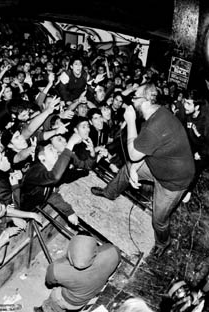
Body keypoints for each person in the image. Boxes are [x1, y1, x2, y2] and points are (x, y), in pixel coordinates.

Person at [90, 83, 195, 257]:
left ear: (145, 100)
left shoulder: (155, 125)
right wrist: (134, 169)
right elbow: (145, 149)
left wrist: (130, 121)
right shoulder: (157, 113)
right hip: (158, 165)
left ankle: (163, 242)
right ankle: (109, 192)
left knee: (159, 220)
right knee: (127, 169)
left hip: (173, 181)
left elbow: (133, 152)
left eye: (135, 97)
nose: (131, 101)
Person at [34, 232, 121, 312]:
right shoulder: (113, 251)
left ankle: (47, 309)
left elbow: (49, 282)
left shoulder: (57, 268)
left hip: (71, 301)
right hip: (92, 295)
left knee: (54, 300)